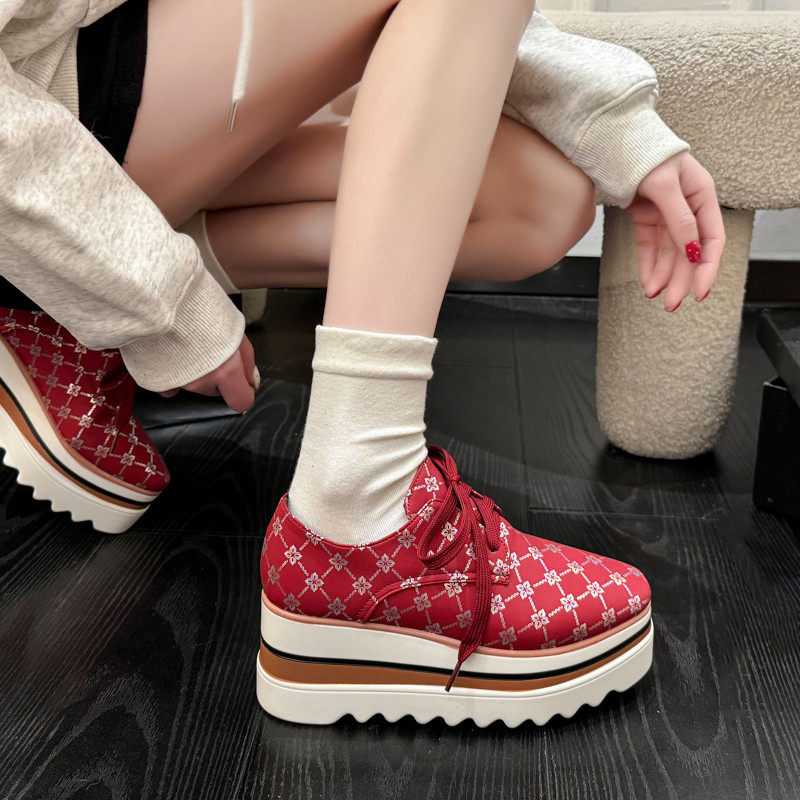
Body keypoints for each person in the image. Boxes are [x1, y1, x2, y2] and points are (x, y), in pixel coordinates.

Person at [0, 0, 725, 723]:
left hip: (89, 114)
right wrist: (167, 306)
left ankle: (60, 305)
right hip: (33, 136)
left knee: (538, 201)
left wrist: (618, 129)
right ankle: (358, 506)